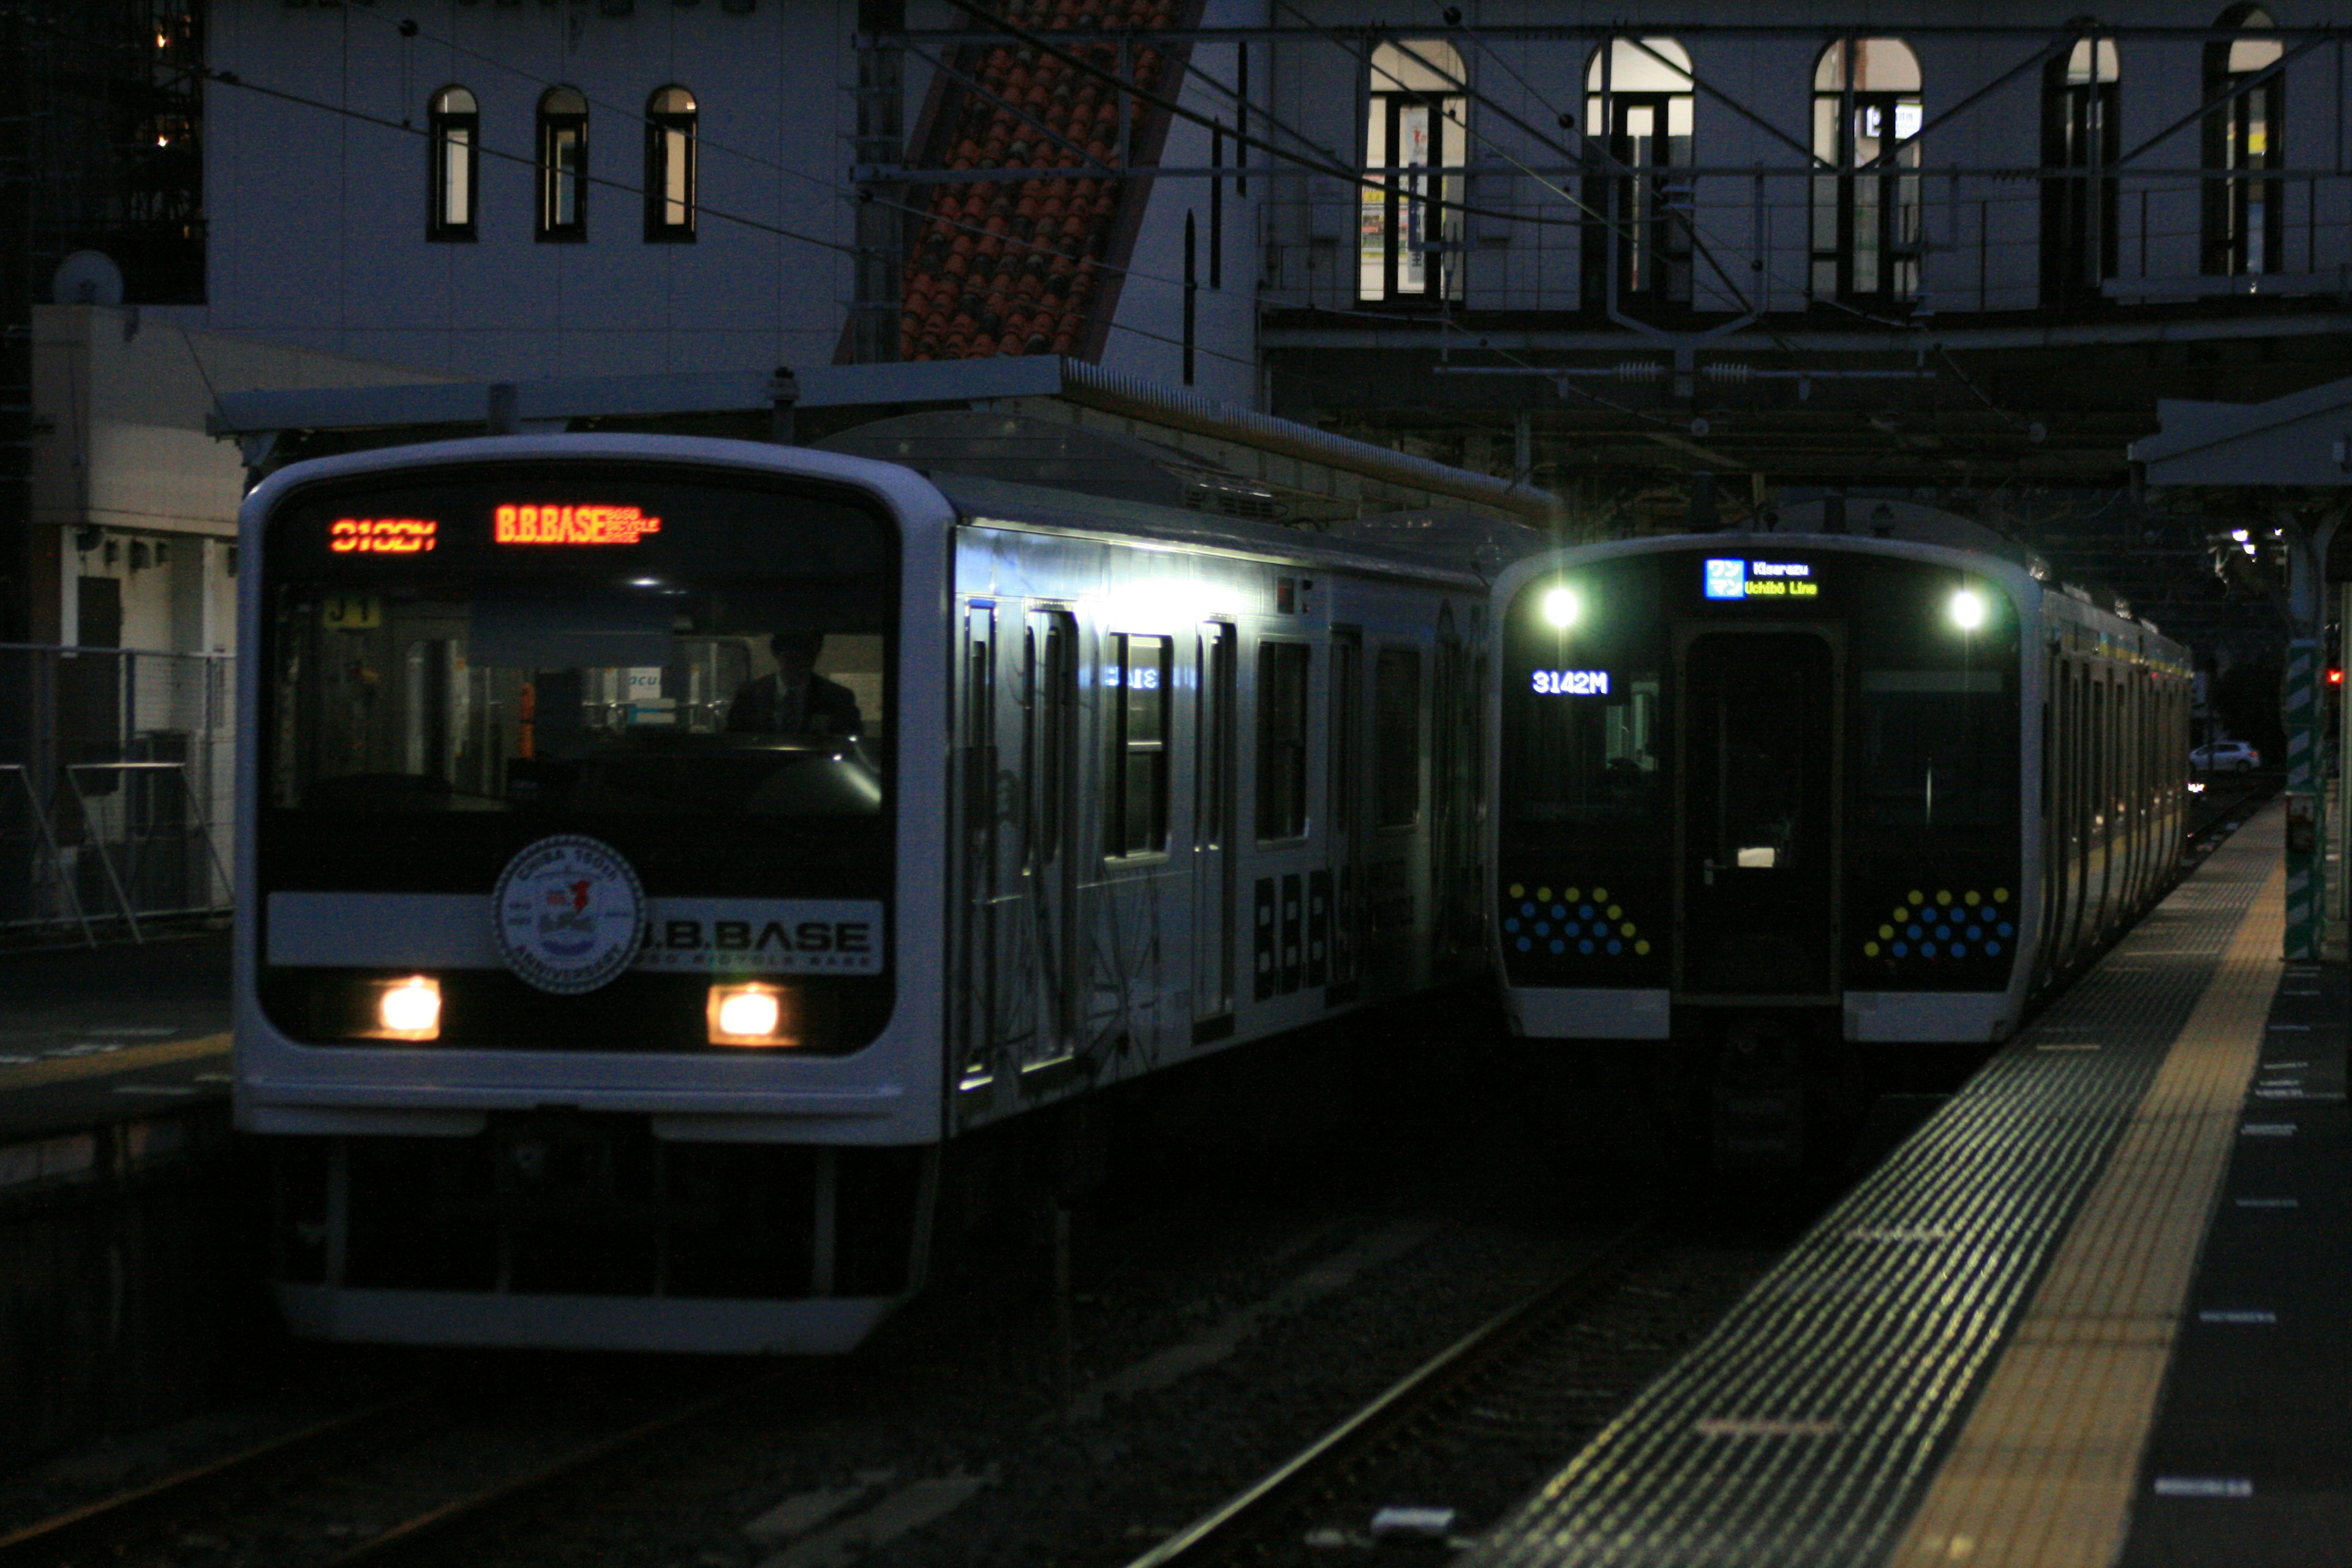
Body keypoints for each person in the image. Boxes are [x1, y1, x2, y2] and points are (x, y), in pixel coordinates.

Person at [727, 631, 863, 737]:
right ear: (777, 655)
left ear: (815, 656)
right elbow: (734, 737)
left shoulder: (838, 698)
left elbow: (851, 740)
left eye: (806, 657)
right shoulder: (750, 694)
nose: (799, 665)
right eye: (791, 658)